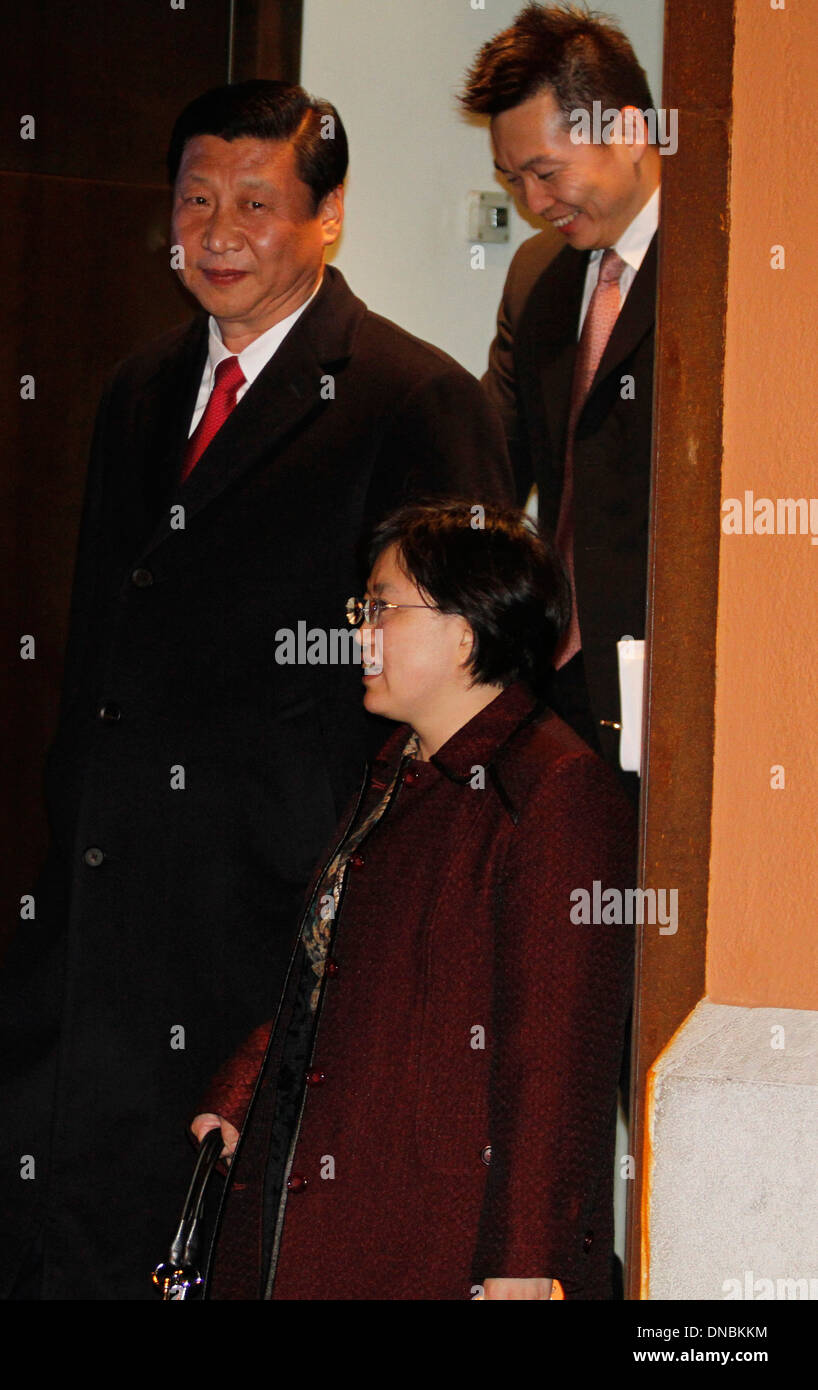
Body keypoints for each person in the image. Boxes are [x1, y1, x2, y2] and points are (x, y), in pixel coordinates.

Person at [0, 81, 511, 1299]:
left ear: (329, 218)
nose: (218, 232)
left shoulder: (413, 399)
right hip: (91, 918)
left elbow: (463, 696)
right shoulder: (137, 390)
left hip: (264, 927)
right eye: (195, 201)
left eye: (257, 203)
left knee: (188, 1253)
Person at [194, 501, 635, 1301]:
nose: (360, 631)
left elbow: (557, 1052)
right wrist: (243, 1093)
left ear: (467, 633)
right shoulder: (397, 767)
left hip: (435, 1241)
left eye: (383, 607)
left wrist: (526, 1260)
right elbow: (331, 974)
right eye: (362, 609)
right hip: (322, 1210)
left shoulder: (554, 788)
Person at [460, 3, 660, 767]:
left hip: (666, 676)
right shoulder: (537, 276)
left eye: (547, 172)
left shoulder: (719, 265)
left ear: (632, 132)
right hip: (552, 679)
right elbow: (491, 464)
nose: (534, 204)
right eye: (513, 179)